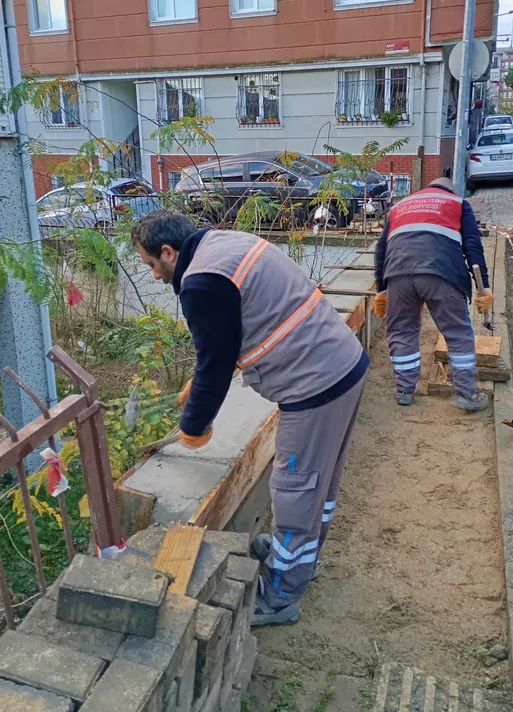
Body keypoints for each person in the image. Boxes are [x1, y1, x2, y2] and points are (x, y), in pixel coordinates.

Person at [131, 210, 369, 626]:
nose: (154, 275)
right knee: (320, 484)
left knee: (295, 491)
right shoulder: (226, 244)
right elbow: (242, 326)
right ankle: (299, 560)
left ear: (168, 252)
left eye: (151, 264)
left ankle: (281, 596)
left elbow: (215, 365)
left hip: (314, 388)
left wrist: (193, 426)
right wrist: (203, 377)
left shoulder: (200, 282)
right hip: (342, 364)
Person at [373, 176, 493, 411]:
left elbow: (381, 249)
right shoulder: (457, 203)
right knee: (457, 333)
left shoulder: (399, 207)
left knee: (401, 331)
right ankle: (466, 394)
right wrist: (484, 287)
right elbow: (472, 245)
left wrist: (381, 290)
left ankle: (405, 391)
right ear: (451, 189)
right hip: (441, 273)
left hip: (398, 274)